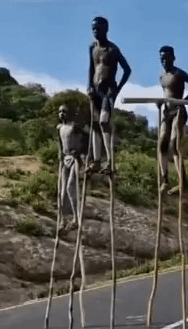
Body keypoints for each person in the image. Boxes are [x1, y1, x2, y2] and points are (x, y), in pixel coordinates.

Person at [87, 16, 132, 175]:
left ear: (106, 29)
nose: (95, 31)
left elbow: (127, 70)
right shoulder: (92, 48)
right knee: (94, 124)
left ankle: (110, 161)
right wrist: (89, 87)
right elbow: (91, 69)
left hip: (108, 91)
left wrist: (117, 88)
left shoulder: (113, 49)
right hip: (96, 91)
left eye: (98, 28)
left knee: (104, 122)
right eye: (93, 28)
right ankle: (97, 161)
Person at [158, 45, 188, 194]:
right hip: (166, 112)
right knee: (162, 142)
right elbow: (165, 94)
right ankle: (165, 179)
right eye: (162, 58)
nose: (165, 61)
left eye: (167, 58)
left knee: (174, 144)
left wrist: (185, 100)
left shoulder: (179, 73)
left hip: (178, 111)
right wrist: (161, 102)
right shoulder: (162, 77)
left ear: (173, 58)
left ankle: (183, 183)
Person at [57, 104, 87, 229]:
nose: (62, 114)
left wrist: (80, 152)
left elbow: (86, 139)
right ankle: (63, 219)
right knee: (62, 191)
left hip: (75, 159)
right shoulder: (59, 127)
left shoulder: (74, 127)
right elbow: (60, 142)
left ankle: (76, 218)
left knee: (70, 187)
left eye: (64, 111)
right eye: (60, 112)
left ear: (69, 113)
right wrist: (60, 153)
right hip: (65, 158)